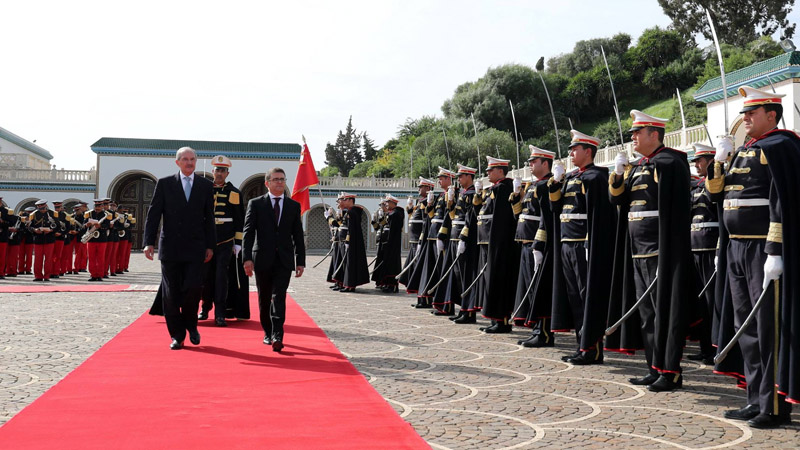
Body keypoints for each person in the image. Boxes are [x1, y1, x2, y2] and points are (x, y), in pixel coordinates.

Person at [706, 86, 799, 428]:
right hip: (736, 247)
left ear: (771, 115)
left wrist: (775, 251)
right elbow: (716, 195)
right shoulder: (745, 150)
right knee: (744, 325)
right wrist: (719, 161)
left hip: (762, 249)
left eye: (752, 113)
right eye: (744, 113)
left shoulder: (780, 146)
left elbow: (780, 202)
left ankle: (773, 405)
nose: (745, 119)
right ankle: (755, 397)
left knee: (767, 327)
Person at [608, 111, 693, 391]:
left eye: (637, 133)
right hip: (637, 250)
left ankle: (671, 371)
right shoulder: (640, 166)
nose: (632, 137)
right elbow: (617, 200)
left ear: (654, 135)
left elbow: (675, 210)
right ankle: (654, 367)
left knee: (664, 312)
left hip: (660, 250)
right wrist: (618, 175)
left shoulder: (669, 162)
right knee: (647, 315)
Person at [549, 130, 616, 364]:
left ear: (588, 151)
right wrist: (555, 182)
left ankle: (592, 348)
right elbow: (555, 206)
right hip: (567, 243)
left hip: (582, 244)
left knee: (588, 298)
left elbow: (597, 214)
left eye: (575, 149)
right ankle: (582, 344)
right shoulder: (570, 178)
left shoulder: (595, 177)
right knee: (575, 298)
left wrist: (590, 242)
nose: (570, 153)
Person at [144, 146, 215, 350]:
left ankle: (191, 326)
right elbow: (154, 214)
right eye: (185, 159)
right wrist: (149, 242)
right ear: (177, 162)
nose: (189, 162)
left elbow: (209, 217)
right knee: (171, 293)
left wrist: (210, 245)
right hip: (171, 248)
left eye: (192, 159)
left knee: (193, 288)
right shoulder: (165, 183)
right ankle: (177, 334)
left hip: (196, 247)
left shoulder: (205, 185)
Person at [242, 168, 305, 352]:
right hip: (262, 257)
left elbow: (298, 235)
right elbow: (248, 232)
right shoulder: (256, 204)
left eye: (282, 179)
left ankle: (278, 334)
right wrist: (246, 258)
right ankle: (267, 332)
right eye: (276, 179)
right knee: (264, 298)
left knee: (279, 296)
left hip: (284, 259)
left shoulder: (293, 206)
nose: (279, 182)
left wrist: (300, 260)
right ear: (267, 183)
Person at [511, 146, 556, 347]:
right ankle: (537, 328)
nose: (530, 164)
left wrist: (539, 245)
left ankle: (544, 332)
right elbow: (521, 215)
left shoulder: (546, 185)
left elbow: (545, 218)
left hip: (536, 244)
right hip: (526, 242)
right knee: (530, 289)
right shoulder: (532, 186)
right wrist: (515, 198)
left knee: (539, 289)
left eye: (534, 161)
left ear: (545, 163)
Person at [198, 155, 247, 326]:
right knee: (205, 277)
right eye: (217, 170)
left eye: (223, 170)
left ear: (227, 173)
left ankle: (220, 313)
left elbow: (239, 219)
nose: (219, 173)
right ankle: (205, 308)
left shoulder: (234, 192)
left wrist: (238, 243)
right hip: (206, 240)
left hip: (226, 240)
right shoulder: (204, 189)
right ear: (212, 171)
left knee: (221, 277)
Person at [473, 156, 519, 333]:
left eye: (491, 170)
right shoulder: (494, 189)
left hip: (499, 242)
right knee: (490, 281)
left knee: (499, 281)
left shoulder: (503, 188)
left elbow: (500, 220)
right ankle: (495, 318)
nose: (488, 173)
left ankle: (502, 320)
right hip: (488, 241)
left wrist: (495, 242)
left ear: (500, 171)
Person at [686, 144, 719, 364]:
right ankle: (705, 348)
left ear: (711, 161)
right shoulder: (696, 186)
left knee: (712, 302)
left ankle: (716, 349)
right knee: (700, 303)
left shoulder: (716, 184)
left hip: (710, 247)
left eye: (700, 161)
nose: (697, 165)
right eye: (695, 161)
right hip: (694, 248)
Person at [399, 178, 435, 294]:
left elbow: (425, 222)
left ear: (428, 188)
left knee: (418, 264)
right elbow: (413, 217)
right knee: (414, 264)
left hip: (419, 238)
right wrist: (410, 207)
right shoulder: (420, 201)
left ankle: (420, 290)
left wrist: (421, 239)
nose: (418, 189)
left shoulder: (427, 202)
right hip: (414, 238)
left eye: (421, 187)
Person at [333, 192, 369, 292]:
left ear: (350, 201)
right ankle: (346, 284)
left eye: (345, 200)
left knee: (350, 264)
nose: (343, 201)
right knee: (346, 263)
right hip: (346, 241)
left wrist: (348, 241)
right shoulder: (349, 212)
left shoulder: (352, 212)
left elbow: (351, 228)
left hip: (350, 242)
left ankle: (350, 285)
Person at [372, 195, 404, 293]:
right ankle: (386, 283)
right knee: (386, 265)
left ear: (393, 203)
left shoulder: (396, 214)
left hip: (392, 244)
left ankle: (392, 285)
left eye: (387, 202)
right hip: (385, 243)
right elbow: (383, 226)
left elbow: (393, 230)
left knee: (392, 265)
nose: (385, 204)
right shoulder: (390, 213)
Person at [29, 200, 57, 282]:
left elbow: (57, 226)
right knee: (38, 259)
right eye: (40, 209)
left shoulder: (52, 213)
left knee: (48, 259)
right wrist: (34, 230)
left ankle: (47, 275)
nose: (42, 210)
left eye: (43, 208)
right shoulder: (34, 214)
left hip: (49, 239)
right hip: (38, 239)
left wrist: (51, 230)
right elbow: (29, 227)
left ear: (46, 206)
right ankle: (38, 276)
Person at [84, 199, 110, 281]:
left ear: (102, 206)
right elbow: (83, 225)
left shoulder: (106, 214)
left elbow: (108, 225)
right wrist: (87, 224)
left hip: (101, 238)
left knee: (100, 258)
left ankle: (99, 275)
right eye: (96, 206)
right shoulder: (89, 214)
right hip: (91, 238)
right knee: (91, 257)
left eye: (99, 206)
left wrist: (101, 226)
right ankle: (93, 274)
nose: (97, 208)